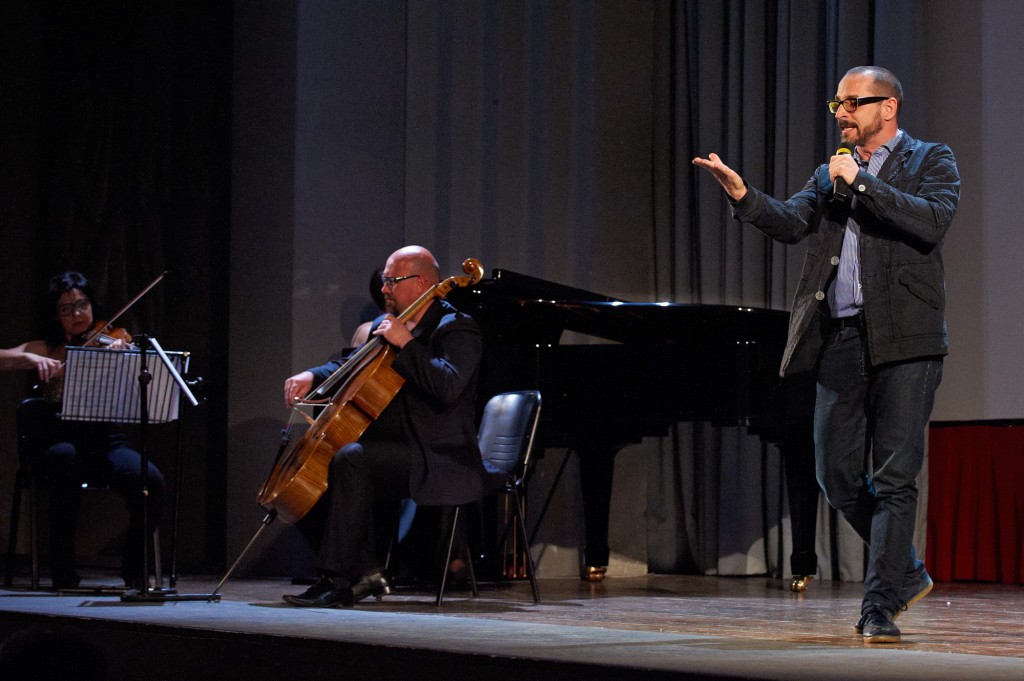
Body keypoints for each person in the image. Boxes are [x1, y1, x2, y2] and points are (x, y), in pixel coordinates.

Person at [692, 66, 959, 643]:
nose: (841, 112)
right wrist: (744, 196)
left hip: (908, 341)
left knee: (895, 477)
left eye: (853, 102)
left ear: (888, 106)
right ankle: (906, 571)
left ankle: (879, 604)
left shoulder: (930, 160)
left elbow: (932, 221)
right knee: (835, 474)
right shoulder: (830, 170)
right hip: (841, 337)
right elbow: (793, 222)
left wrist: (862, 184)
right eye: (837, 102)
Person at [280, 245, 491, 607]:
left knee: (353, 458)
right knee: (301, 474)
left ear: (421, 283)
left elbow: (448, 386)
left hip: (438, 453)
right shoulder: (389, 324)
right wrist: (311, 375)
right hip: (395, 445)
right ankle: (364, 570)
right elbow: (351, 365)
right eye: (384, 281)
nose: (384, 289)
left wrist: (406, 344)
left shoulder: (457, 328)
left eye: (392, 281)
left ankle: (336, 580)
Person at [1, 271, 165, 590]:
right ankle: (63, 574)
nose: (77, 314)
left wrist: (125, 357)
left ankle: (134, 568)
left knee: (151, 480)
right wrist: (29, 357)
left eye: (82, 305)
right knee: (65, 462)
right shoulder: (48, 348)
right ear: (55, 314)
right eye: (66, 309)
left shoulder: (112, 339)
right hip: (60, 440)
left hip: (106, 443)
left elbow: (140, 378)